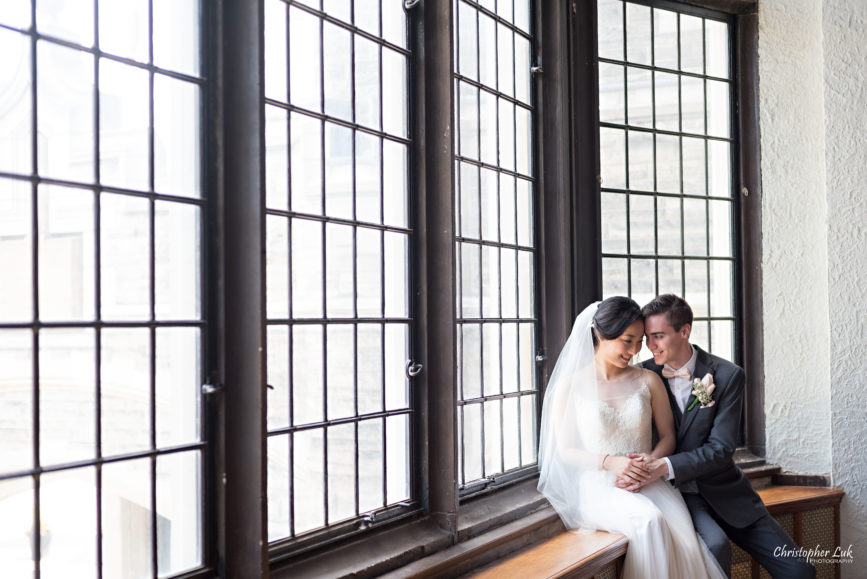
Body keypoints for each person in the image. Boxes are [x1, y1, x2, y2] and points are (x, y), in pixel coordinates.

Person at [625, 294, 815, 578]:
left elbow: (721, 449)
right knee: (715, 546)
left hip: (730, 493)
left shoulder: (727, 375)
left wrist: (662, 466)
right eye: (647, 338)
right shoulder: (642, 376)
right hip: (678, 497)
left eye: (658, 336)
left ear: (684, 331)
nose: (649, 346)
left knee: (799, 571)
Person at [538, 297, 726, 579]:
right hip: (600, 486)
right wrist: (610, 462)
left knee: (682, 539)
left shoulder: (648, 380)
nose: (636, 350)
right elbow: (565, 451)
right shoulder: (569, 387)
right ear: (601, 335)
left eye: (640, 341)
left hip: (649, 481)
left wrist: (649, 463)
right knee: (648, 521)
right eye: (628, 341)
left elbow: (667, 438)